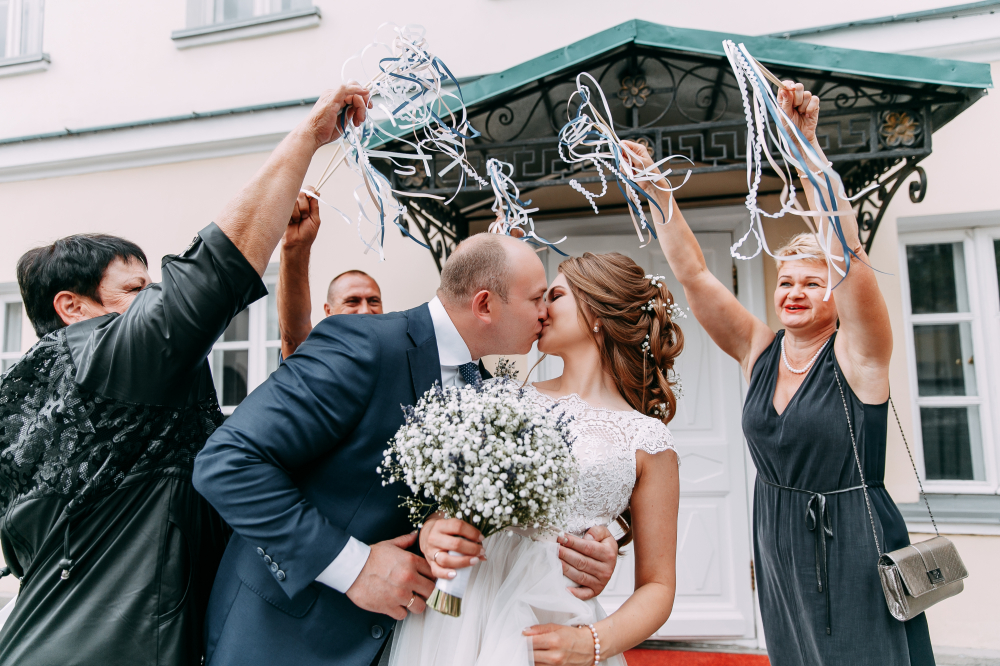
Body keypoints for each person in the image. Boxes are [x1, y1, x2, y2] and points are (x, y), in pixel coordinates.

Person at [0, 84, 372, 666]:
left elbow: (281, 407)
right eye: (136, 290)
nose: (152, 301)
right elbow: (210, 274)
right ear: (72, 308)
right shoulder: (95, 356)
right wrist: (307, 137)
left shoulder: (68, 400)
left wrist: (294, 258)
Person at [192, 234, 622, 666]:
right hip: (284, 637)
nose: (545, 312)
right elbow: (227, 461)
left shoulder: (491, 392)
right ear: (485, 305)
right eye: (535, 298)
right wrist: (354, 566)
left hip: (410, 643)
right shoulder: (364, 344)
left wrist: (584, 551)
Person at [624, 82, 934, 665]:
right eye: (786, 281)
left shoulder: (860, 355)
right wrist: (658, 192)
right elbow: (695, 275)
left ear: (837, 295)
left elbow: (848, 254)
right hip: (776, 532)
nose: (794, 291)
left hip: (854, 537)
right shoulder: (759, 351)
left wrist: (803, 148)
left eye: (813, 282)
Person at [392, 251, 682, 666]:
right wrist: (435, 528)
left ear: (598, 314)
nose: (541, 310)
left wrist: (591, 643)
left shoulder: (648, 439)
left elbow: (658, 586)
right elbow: (452, 504)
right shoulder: (501, 398)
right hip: (468, 612)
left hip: (556, 619)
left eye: (555, 296)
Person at [276, 188, 383, 359]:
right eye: (352, 301)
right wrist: (295, 247)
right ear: (329, 311)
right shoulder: (322, 359)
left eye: (374, 301)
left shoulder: (400, 351)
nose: (365, 310)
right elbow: (294, 339)